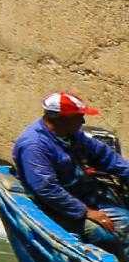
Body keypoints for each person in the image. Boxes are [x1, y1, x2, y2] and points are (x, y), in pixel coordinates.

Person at [15, 92, 129, 252]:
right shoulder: (34, 145)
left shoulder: (72, 135)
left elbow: (104, 156)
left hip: (85, 196)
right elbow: (46, 189)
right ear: (61, 119)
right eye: (79, 117)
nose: (83, 121)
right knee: (114, 230)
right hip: (56, 207)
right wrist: (85, 212)